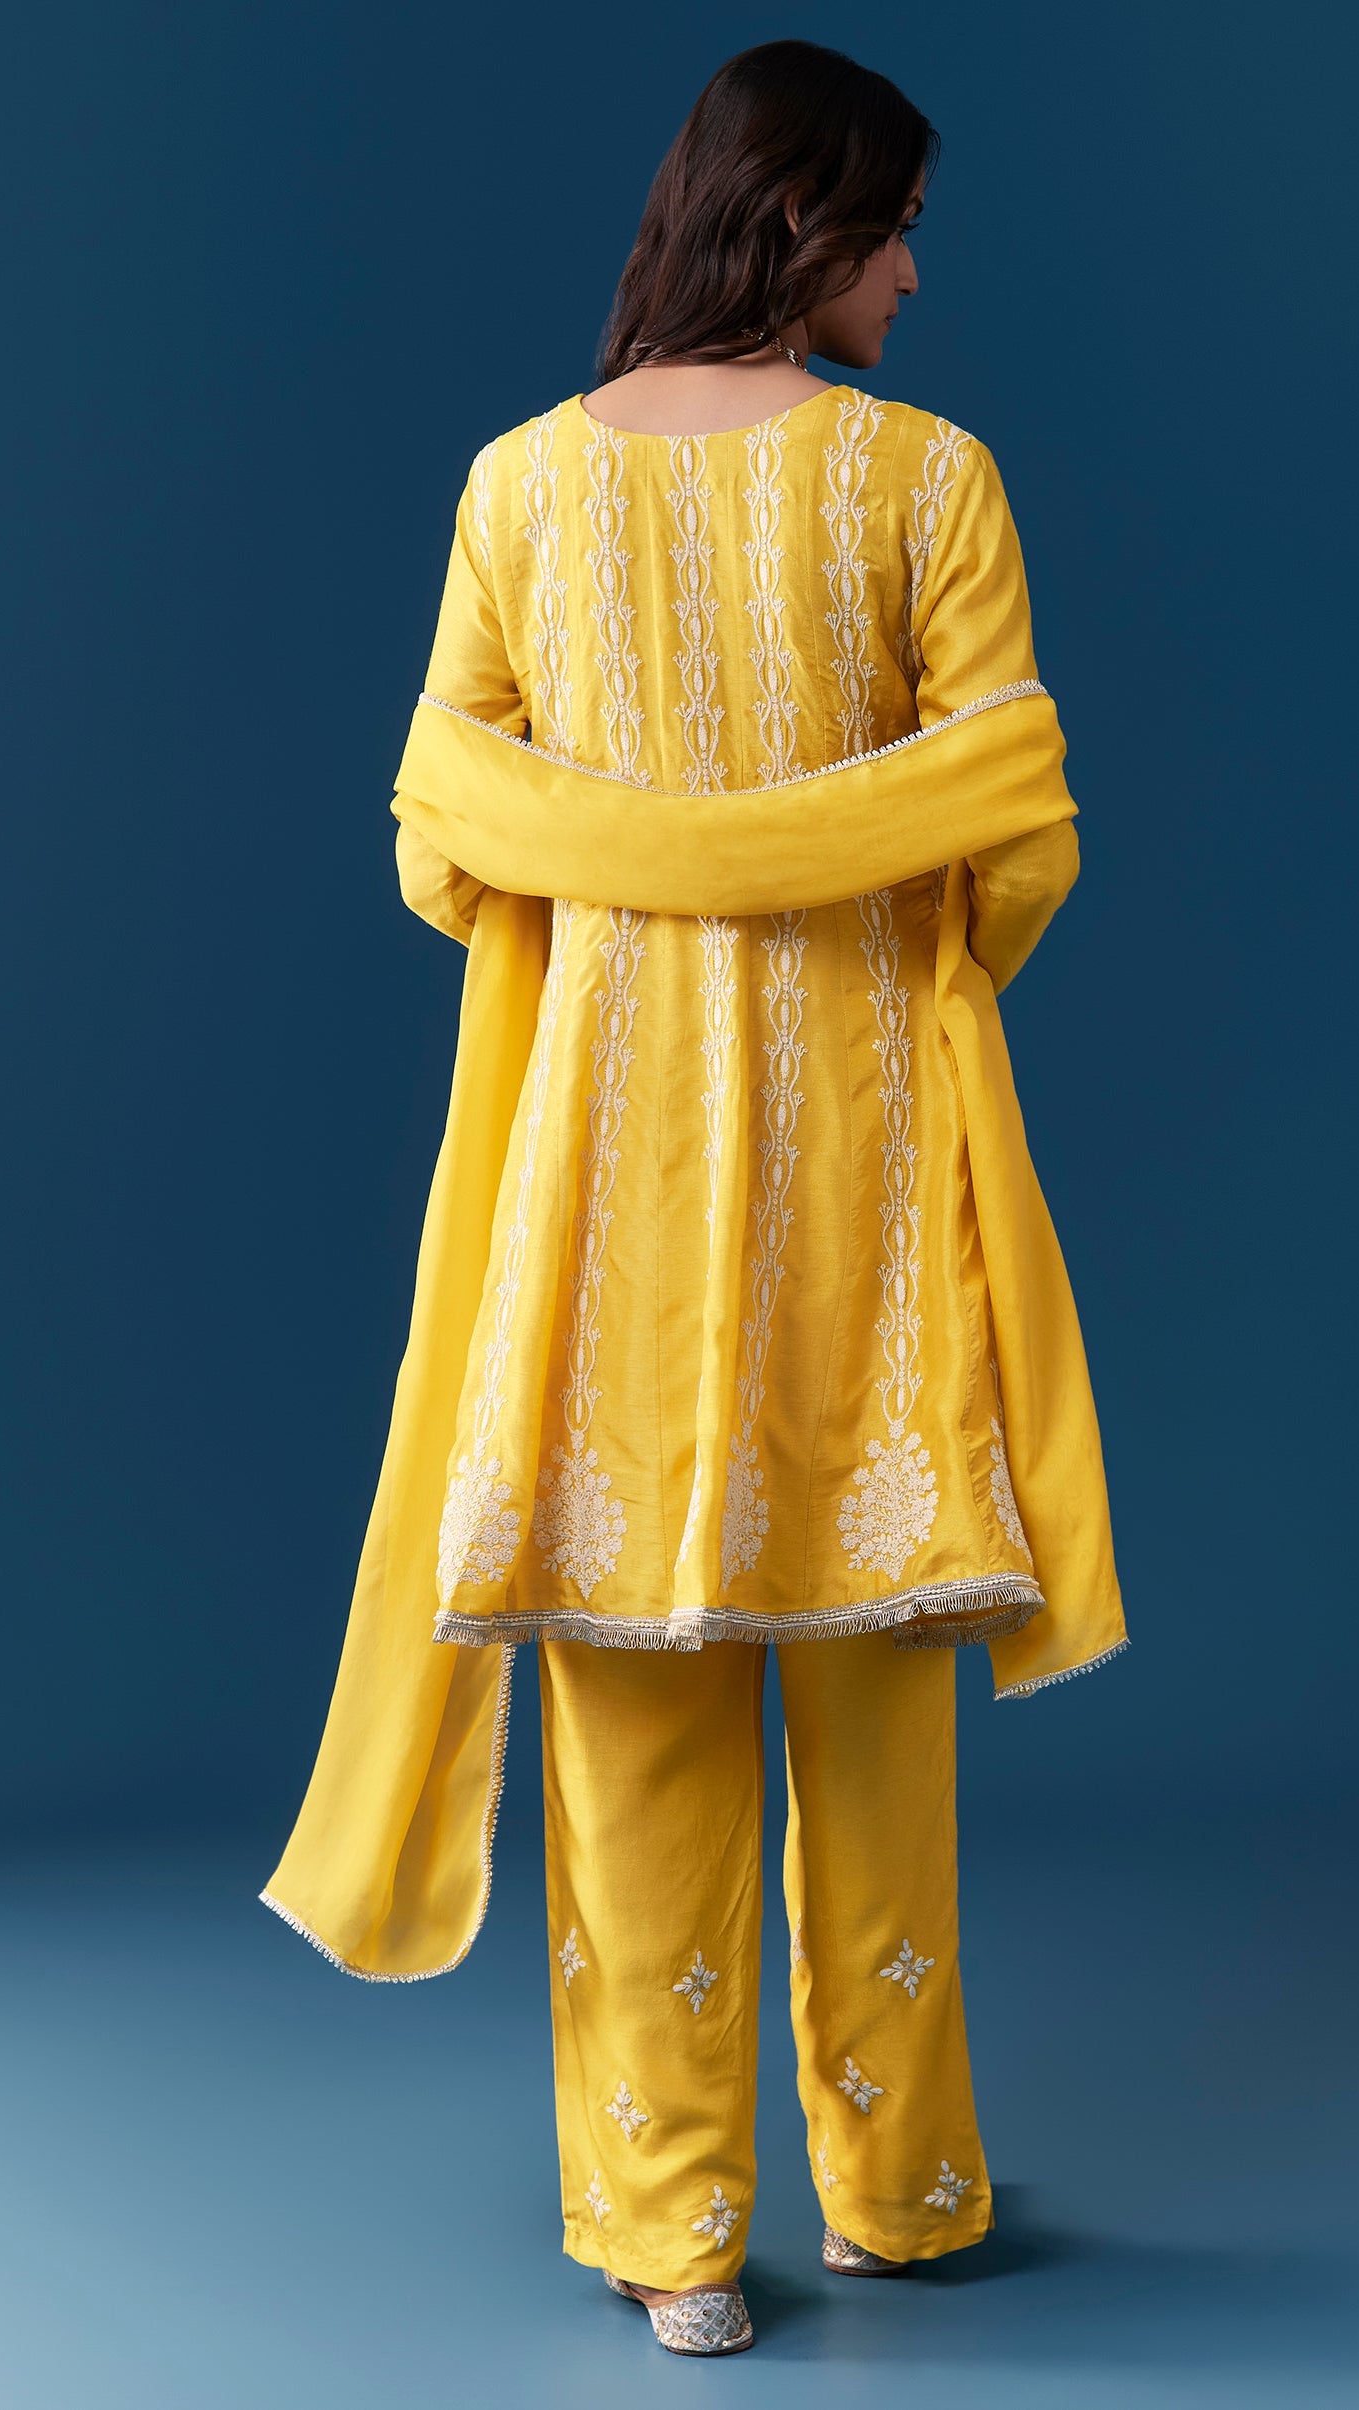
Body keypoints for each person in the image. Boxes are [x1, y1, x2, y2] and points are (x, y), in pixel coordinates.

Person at [262, 38, 1125, 2358]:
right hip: (867, 1180)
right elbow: (1016, 835)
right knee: (878, 1720)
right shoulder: (929, 482)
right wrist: (848, 886)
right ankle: (900, 2188)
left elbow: (444, 842)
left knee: (633, 1730)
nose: (914, 278)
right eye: (897, 231)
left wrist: (633, 872)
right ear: (805, 222)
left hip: (604, 1202)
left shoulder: (518, 487)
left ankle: (674, 2233)